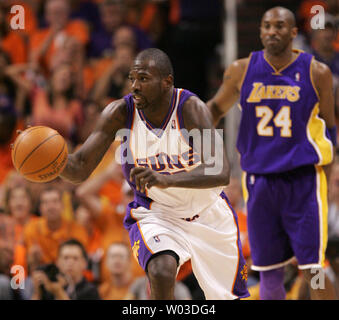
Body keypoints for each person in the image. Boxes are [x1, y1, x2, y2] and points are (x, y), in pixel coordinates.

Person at [59, 48, 249, 300]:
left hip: (208, 215)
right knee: (160, 270)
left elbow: (220, 172)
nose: (135, 86)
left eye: (144, 79)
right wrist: (53, 162)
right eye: (132, 78)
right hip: (158, 214)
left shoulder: (190, 108)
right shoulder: (120, 113)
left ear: (167, 82)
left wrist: (165, 179)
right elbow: (79, 168)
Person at [207, 6, 337, 300]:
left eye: (279, 26)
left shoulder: (317, 73)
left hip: (303, 181)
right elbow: (213, 109)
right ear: (260, 31)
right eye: (266, 26)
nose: (271, 31)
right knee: (268, 269)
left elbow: (330, 130)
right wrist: (187, 131)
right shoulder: (241, 71)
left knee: (312, 267)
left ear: (293, 33)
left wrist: (327, 181)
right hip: (259, 181)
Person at [24, 186, 88, 269]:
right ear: (40, 208)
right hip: (41, 273)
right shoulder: (32, 228)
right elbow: (31, 266)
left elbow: (82, 264)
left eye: (55, 201)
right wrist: (34, 260)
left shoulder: (76, 230)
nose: (51, 207)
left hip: (69, 274)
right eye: (45, 202)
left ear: (63, 206)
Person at [31, 239, 100, 300]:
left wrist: (58, 292)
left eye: (75, 258)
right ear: (58, 262)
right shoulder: (50, 285)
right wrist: (38, 292)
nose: (70, 262)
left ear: (84, 263)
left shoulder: (90, 291)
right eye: (66, 258)